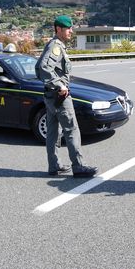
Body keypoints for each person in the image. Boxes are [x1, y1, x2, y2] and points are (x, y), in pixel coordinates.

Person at [35, 15, 98, 178]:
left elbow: (38, 67)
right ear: (58, 29)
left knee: (53, 132)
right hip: (60, 97)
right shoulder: (56, 46)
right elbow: (43, 67)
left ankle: (54, 166)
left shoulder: (54, 45)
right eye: (68, 28)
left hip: (50, 96)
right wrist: (60, 85)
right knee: (72, 130)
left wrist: (53, 84)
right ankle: (79, 166)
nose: (71, 31)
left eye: (70, 28)